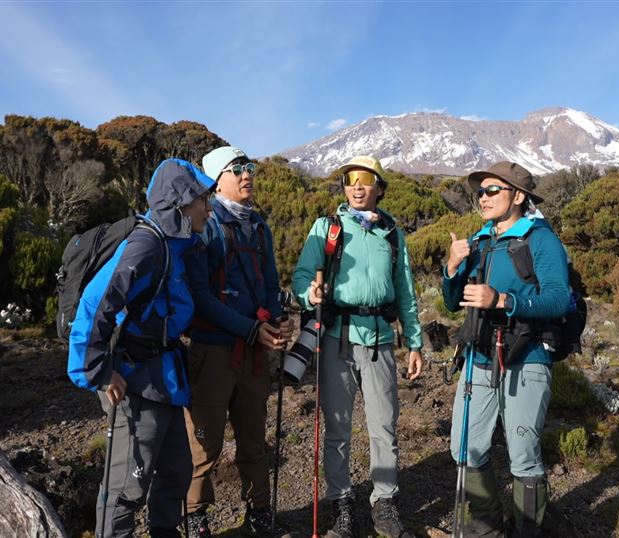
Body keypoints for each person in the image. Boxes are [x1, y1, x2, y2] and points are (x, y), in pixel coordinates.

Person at [67, 158, 215, 537]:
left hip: (164, 378)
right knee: (127, 488)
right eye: (202, 199)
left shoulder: (173, 245)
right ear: (180, 202)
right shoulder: (147, 246)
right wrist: (99, 371)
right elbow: (97, 305)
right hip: (135, 381)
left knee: (176, 472)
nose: (208, 208)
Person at [292, 155, 424, 538]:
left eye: (366, 178)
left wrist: (414, 342)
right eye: (350, 178)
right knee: (337, 429)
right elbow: (303, 275)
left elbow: (406, 294)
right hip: (337, 338)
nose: (357, 185)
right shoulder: (328, 227)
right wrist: (308, 292)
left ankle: (384, 503)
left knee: (384, 427)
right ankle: (341, 504)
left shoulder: (393, 235)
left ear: (380, 187)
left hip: (381, 341)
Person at [442, 161, 572, 537]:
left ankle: (526, 530)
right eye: (480, 192)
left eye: (492, 190)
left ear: (518, 196)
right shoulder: (480, 241)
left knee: (523, 456)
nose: (483, 197)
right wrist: (452, 267)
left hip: (527, 358)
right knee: (465, 448)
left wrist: (503, 300)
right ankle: (485, 527)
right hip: (478, 358)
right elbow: (454, 302)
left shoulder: (540, 239)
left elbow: (558, 298)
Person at [183, 146, 293, 537]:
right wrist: (250, 329)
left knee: (253, 439)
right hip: (213, 351)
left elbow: (269, 283)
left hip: (254, 351)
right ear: (216, 180)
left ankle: (259, 511)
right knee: (204, 446)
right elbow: (199, 295)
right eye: (237, 169)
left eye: (250, 168)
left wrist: (275, 320)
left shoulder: (258, 225)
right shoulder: (205, 224)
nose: (248, 175)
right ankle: (196, 516)